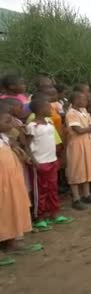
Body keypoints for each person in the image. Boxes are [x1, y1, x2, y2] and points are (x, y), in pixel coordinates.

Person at [0, 102, 38, 266]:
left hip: (11, 181)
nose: (11, 124)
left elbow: (16, 147)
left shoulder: (5, 138)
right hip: (3, 182)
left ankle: (11, 241)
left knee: (11, 209)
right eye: (7, 121)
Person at [26, 97, 73, 230]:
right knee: (40, 191)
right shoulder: (32, 126)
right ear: (40, 110)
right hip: (40, 163)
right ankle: (39, 217)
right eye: (48, 108)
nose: (51, 109)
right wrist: (34, 161)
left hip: (52, 160)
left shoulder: (49, 122)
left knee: (52, 189)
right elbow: (27, 146)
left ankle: (54, 213)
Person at [65, 91, 91, 210]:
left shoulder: (84, 111)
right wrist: (89, 129)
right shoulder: (71, 113)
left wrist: (89, 129)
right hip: (77, 144)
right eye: (83, 99)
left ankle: (87, 194)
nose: (86, 101)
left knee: (87, 168)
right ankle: (76, 198)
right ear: (75, 101)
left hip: (87, 143)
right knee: (76, 169)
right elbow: (78, 130)